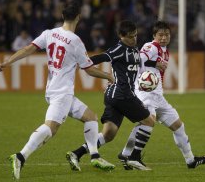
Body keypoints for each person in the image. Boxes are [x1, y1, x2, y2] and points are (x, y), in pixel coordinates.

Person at [0, 0, 115, 180]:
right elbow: (88, 69)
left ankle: (95, 156)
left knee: (90, 117)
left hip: (52, 89)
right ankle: (20, 156)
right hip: (62, 93)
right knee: (51, 128)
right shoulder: (75, 41)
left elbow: (28, 49)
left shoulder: (49, 33)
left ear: (62, 16)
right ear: (79, 18)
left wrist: (7, 62)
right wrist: (109, 76)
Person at [119, 20, 205, 169]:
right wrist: (154, 64)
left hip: (158, 96)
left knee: (178, 125)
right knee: (147, 122)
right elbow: (139, 59)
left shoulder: (164, 50)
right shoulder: (151, 46)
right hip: (146, 93)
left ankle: (190, 160)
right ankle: (130, 154)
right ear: (154, 35)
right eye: (160, 35)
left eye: (166, 35)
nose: (163, 38)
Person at [66, 20, 156, 171]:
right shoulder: (119, 49)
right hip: (122, 95)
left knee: (109, 134)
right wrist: (81, 62)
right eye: (131, 37)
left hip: (115, 95)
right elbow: (101, 57)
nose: (134, 39)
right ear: (121, 36)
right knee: (149, 121)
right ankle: (133, 157)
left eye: (135, 35)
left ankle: (76, 153)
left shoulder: (134, 49)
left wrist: (154, 65)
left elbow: (138, 63)